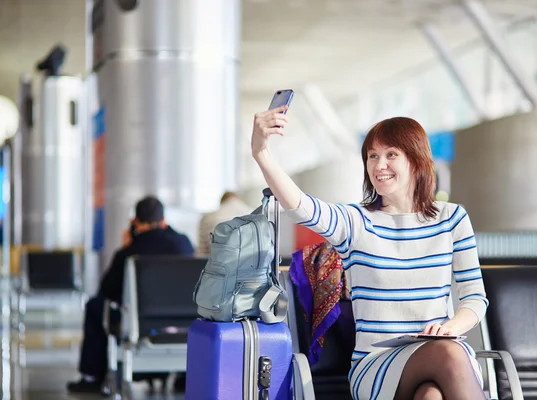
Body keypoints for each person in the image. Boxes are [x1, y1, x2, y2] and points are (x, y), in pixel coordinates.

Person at [251, 106, 488, 400]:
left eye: (391, 155)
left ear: (416, 161)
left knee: (432, 396)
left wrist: (449, 327)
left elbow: (475, 298)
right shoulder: (355, 222)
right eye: (372, 156)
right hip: (378, 365)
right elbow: (300, 206)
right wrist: (261, 153)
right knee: (449, 356)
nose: (379, 165)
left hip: (444, 352)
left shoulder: (451, 219)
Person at [67, 196, 194, 394]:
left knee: (95, 306)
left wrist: (126, 245)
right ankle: (183, 375)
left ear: (135, 222)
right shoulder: (184, 244)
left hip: (139, 325)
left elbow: (106, 290)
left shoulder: (130, 252)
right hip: (183, 325)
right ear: (164, 220)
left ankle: (91, 377)